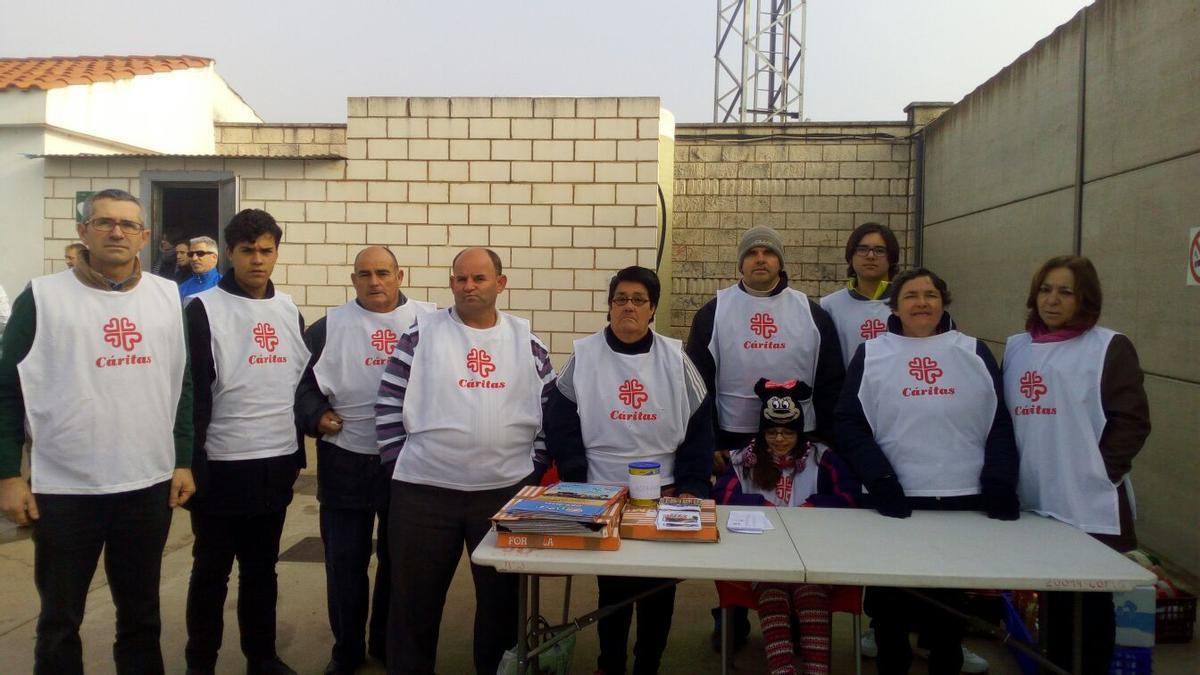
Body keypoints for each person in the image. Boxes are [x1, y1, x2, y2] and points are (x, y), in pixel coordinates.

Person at [0, 188, 195, 674]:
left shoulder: (166, 296)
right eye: (104, 222)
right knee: (60, 619)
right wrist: (8, 474)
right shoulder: (42, 297)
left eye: (128, 225)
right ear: (83, 231)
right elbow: (7, 389)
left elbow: (182, 383)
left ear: (145, 237)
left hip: (146, 484)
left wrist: (182, 458)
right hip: (67, 490)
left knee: (141, 615)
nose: (116, 232)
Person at [376, 247, 555, 674]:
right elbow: (387, 405)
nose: (469, 286)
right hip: (424, 495)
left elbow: (549, 409)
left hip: (504, 495)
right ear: (451, 283)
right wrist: (402, 463)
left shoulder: (526, 341)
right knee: (414, 604)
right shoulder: (421, 336)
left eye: (479, 278)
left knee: (501, 605)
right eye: (461, 279)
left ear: (500, 282)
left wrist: (531, 471)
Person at [835, 267, 1019, 675]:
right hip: (895, 498)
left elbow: (999, 420)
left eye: (931, 295)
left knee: (948, 612)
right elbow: (848, 422)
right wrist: (878, 477)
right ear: (896, 306)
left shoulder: (972, 351)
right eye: (912, 296)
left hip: (961, 498)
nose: (922, 302)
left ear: (943, 303)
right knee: (891, 610)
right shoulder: (873, 353)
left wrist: (1000, 479)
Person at [545, 265, 714, 675]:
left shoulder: (676, 358)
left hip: (666, 491)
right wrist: (575, 473)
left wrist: (692, 484)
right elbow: (560, 419)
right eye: (620, 299)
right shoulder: (584, 355)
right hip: (602, 490)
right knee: (615, 585)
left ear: (652, 308)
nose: (628, 307)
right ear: (609, 307)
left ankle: (648, 664)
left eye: (638, 300)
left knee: (659, 586)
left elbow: (698, 424)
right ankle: (611, 663)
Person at [685, 224, 844, 649]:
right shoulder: (715, 310)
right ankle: (731, 615)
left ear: (780, 262)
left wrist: (825, 438)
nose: (760, 259)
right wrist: (710, 443)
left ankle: (795, 612)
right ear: (740, 262)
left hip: (798, 437)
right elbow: (697, 383)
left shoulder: (809, 311)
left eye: (768, 253)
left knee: (797, 531)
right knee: (738, 531)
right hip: (733, 436)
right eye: (752, 253)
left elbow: (830, 378)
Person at [1002, 255, 1150, 673]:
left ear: (1085, 298)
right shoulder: (1017, 347)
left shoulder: (1107, 346)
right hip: (1035, 496)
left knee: (1090, 601)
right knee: (1052, 597)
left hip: (1087, 500)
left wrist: (1101, 473)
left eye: (1065, 291)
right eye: (1046, 289)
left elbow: (1132, 421)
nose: (1052, 300)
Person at [295, 246, 435, 675]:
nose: (375, 282)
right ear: (353, 279)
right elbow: (298, 383)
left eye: (383, 273)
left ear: (400, 275)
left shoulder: (432, 321)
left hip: (408, 464)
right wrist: (316, 415)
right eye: (365, 274)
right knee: (345, 562)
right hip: (346, 459)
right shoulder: (328, 326)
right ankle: (347, 649)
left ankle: (387, 643)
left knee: (401, 563)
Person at [183, 209, 308, 675]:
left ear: (276, 252)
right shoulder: (203, 310)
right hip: (221, 465)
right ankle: (201, 663)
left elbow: (298, 385)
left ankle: (262, 656)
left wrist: (296, 453)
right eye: (247, 251)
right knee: (211, 572)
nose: (257, 260)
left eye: (266, 250)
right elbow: (192, 393)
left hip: (274, 463)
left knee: (262, 570)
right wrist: (192, 464)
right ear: (230, 253)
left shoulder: (288, 309)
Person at [713, 378, 860, 675]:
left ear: (800, 432)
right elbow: (720, 497)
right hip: (761, 557)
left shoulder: (822, 457)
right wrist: (759, 505)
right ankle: (783, 671)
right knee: (773, 595)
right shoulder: (746, 459)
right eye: (772, 432)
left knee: (811, 596)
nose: (780, 439)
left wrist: (816, 505)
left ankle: (817, 670)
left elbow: (851, 496)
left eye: (788, 432)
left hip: (815, 556)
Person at [820, 222, 899, 367]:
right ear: (850, 256)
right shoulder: (830, 305)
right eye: (862, 249)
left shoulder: (906, 303)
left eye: (879, 250)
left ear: (891, 257)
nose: (870, 256)